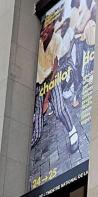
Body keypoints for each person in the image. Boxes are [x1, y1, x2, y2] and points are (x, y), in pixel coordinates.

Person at [33, 17, 79, 153]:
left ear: (52, 26)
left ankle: (72, 131)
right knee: (37, 131)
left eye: (47, 27)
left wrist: (47, 99)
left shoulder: (57, 40)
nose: (43, 31)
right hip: (40, 84)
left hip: (53, 77)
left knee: (59, 109)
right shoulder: (39, 45)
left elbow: (55, 68)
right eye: (42, 28)